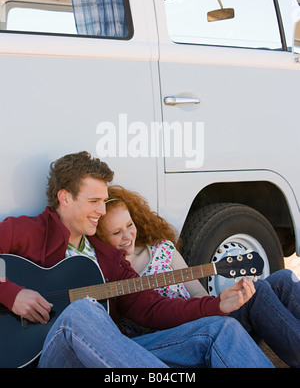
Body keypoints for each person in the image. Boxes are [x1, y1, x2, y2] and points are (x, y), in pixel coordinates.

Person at [0, 151, 273, 368]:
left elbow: (154, 308)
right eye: (94, 201)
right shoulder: (26, 231)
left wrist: (216, 305)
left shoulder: (107, 257)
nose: (101, 210)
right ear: (65, 198)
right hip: (51, 357)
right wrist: (12, 294)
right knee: (81, 312)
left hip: (109, 355)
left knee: (221, 329)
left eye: (104, 201)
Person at [97, 185, 300, 368]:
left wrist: (222, 302)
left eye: (129, 225)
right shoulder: (111, 272)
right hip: (175, 338)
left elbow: (197, 292)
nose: (127, 236)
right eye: (116, 232)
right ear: (100, 239)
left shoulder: (162, 249)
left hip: (200, 316)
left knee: (282, 278)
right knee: (261, 291)